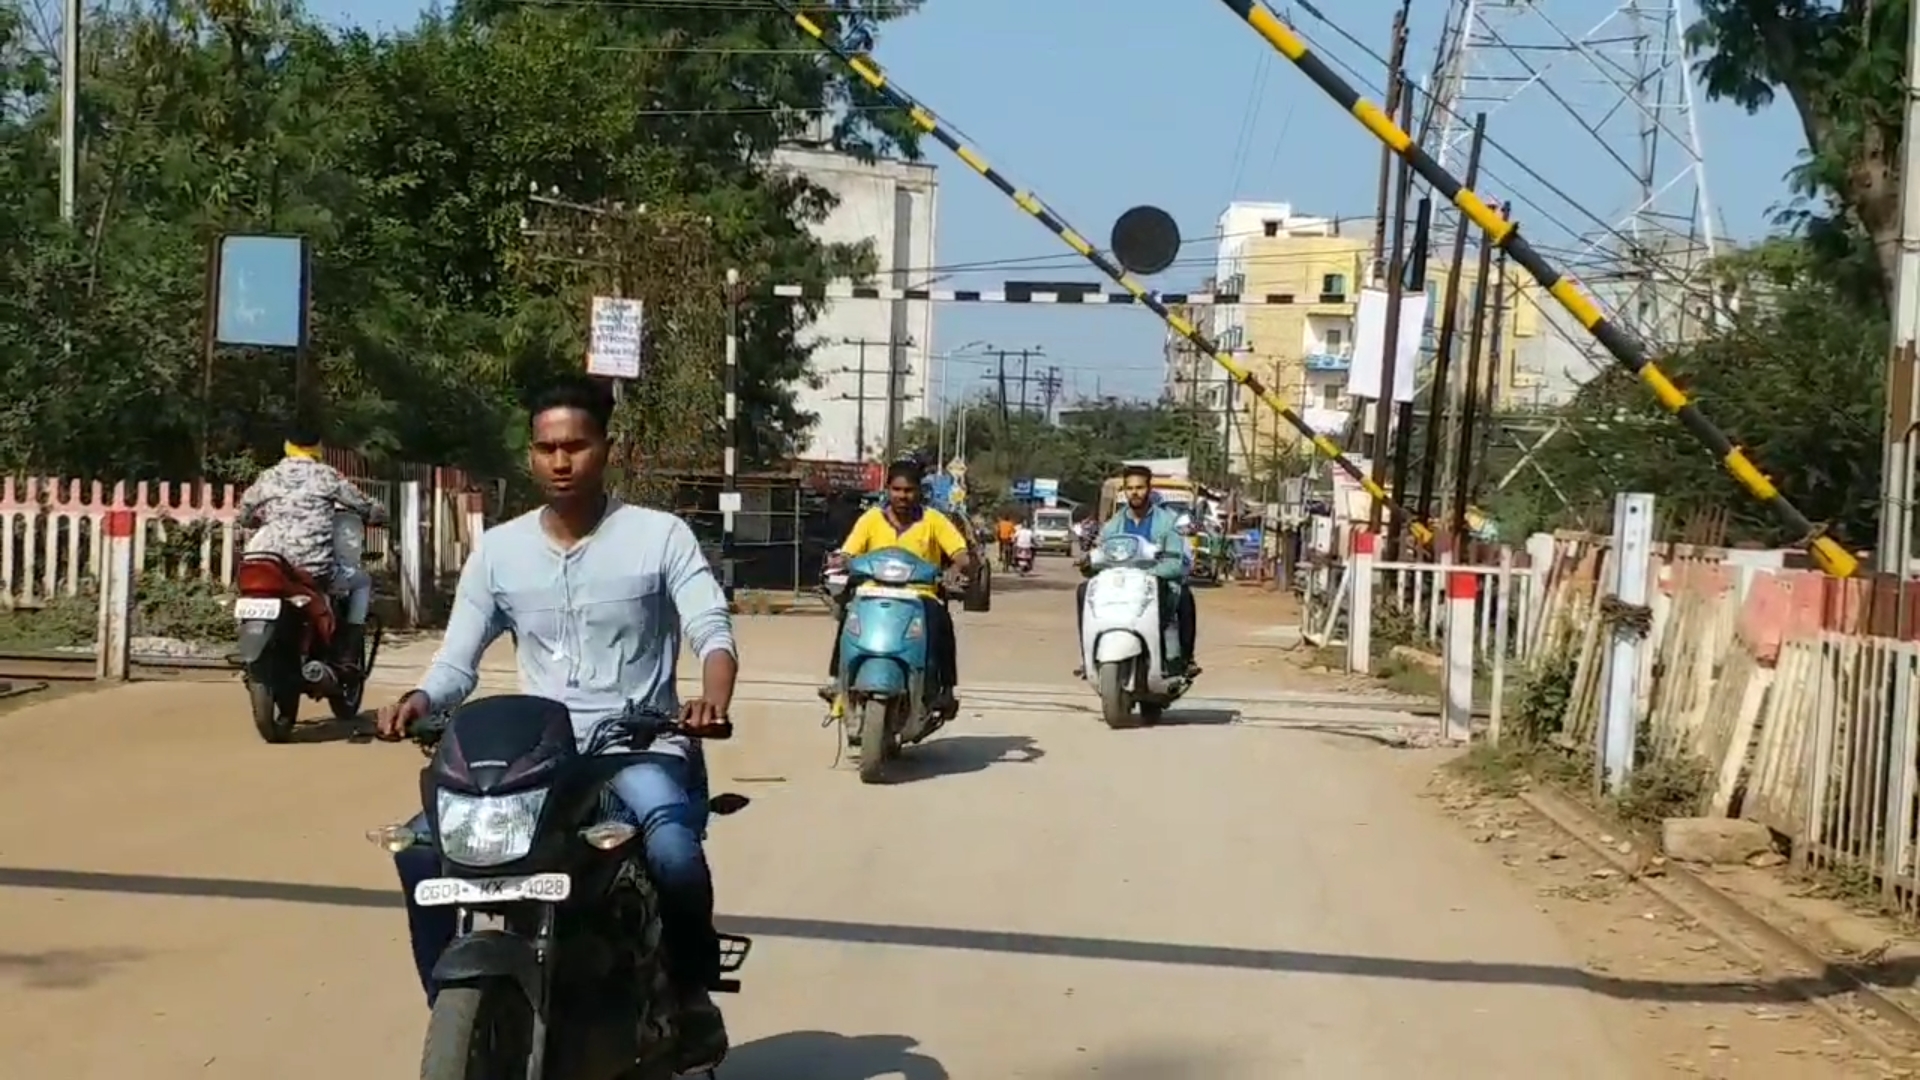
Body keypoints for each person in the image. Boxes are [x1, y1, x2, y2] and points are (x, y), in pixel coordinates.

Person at [372, 376, 737, 1067]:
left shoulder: (660, 537)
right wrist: (420, 700)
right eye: (545, 448)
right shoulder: (500, 551)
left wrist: (711, 699)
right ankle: (462, 1007)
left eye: (575, 445)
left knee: (673, 854)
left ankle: (691, 993)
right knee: (422, 850)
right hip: (538, 754)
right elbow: (457, 661)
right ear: (530, 455)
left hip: (640, 746)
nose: (560, 461)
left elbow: (711, 631)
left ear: (607, 448)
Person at [821, 460, 973, 712]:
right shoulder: (871, 519)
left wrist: (955, 570)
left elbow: (961, 555)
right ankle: (837, 681)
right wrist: (841, 561)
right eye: (897, 489)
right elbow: (849, 552)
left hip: (920, 596)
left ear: (919, 491)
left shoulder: (934, 520)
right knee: (848, 616)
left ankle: (945, 688)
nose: (902, 496)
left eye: (909, 490)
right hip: (872, 591)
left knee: (940, 623)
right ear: (888, 489)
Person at [237, 421, 386, 672]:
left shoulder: (269, 476)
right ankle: (348, 652)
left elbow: (244, 513)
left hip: (274, 567)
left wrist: (254, 520)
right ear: (318, 448)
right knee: (362, 582)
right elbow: (364, 506)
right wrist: (378, 514)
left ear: (287, 446)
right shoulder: (327, 476)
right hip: (314, 569)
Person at [1075, 464, 1198, 676]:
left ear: (1149, 489)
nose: (1135, 492)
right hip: (1120, 587)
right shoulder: (1113, 525)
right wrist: (1088, 564)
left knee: (1185, 596)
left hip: (1154, 585)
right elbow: (1101, 555)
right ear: (1124, 491)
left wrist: (1153, 573)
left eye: (1140, 487)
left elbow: (1176, 562)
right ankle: (1087, 657)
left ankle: (1183, 661)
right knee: (1083, 591)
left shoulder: (1167, 523)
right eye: (1130, 488)